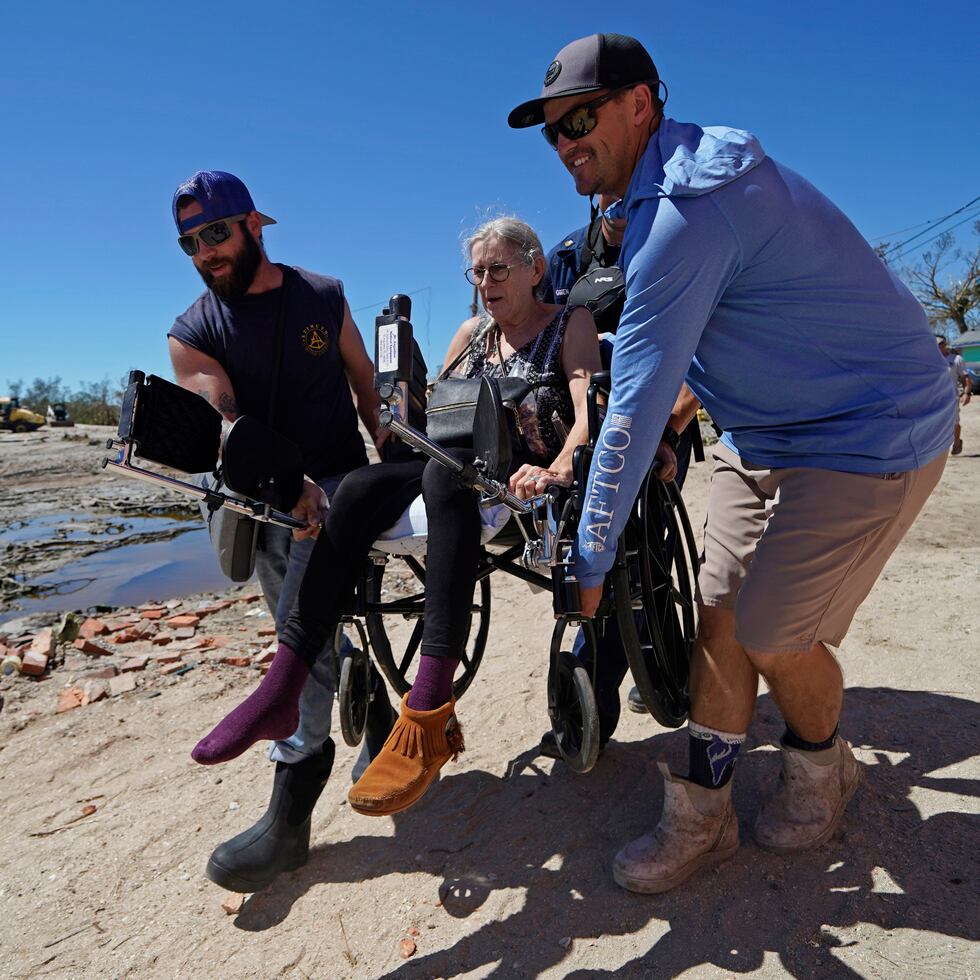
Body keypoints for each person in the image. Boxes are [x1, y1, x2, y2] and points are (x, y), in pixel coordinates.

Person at [509, 33, 954, 893]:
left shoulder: (687, 211)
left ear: (642, 104)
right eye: (553, 130)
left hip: (872, 427)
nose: (567, 141)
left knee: (775, 631)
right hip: (766, 432)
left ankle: (824, 770)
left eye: (583, 117)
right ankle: (703, 813)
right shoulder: (641, 203)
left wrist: (590, 560)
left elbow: (632, 405)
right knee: (718, 613)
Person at [191, 216, 603, 817]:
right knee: (356, 489)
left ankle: (429, 711)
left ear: (536, 269)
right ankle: (282, 686)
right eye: (478, 271)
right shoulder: (470, 333)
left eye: (499, 269)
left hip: (524, 470)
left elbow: (587, 409)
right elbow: (438, 419)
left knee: (445, 475)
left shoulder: (571, 324)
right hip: (457, 457)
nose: (485, 282)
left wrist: (561, 466)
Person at [167, 170, 395, 892]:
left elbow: (366, 382)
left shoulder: (321, 295)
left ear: (253, 226)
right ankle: (377, 717)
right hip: (259, 493)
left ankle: (290, 814)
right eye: (190, 243)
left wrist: (391, 445)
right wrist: (277, 479)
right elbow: (221, 417)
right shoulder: (193, 329)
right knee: (314, 628)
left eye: (215, 234)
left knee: (300, 637)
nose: (205, 252)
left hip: (339, 486)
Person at [539, 193, 704, 754]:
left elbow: (696, 349)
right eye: (610, 205)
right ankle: (627, 667)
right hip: (584, 430)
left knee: (642, 553)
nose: (619, 213)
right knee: (592, 554)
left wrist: (668, 433)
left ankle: (621, 677)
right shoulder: (564, 257)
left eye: (630, 202)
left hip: (657, 426)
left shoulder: (673, 247)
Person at [937, 336, 972, 454]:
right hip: (935, 397)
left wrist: (966, 393)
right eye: (936, 344)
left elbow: (965, 378)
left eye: (940, 343)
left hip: (951, 397)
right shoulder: (931, 360)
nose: (938, 346)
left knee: (954, 422)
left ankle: (957, 441)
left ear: (945, 344)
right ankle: (940, 447)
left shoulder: (957, 359)